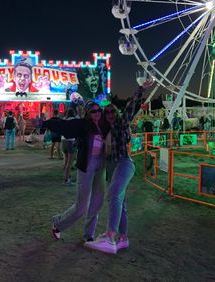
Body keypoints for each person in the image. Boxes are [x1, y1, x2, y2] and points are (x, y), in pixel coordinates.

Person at [84, 80, 153, 254]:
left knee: (114, 194)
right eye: (106, 112)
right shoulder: (105, 131)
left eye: (112, 111)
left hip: (124, 162)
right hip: (112, 167)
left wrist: (140, 89)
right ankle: (123, 238)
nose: (110, 114)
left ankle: (109, 236)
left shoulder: (122, 124)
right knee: (120, 202)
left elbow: (130, 107)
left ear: (117, 112)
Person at [51, 102, 106, 243]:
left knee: (96, 202)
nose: (97, 113)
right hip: (86, 166)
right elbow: (66, 127)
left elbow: (124, 119)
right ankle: (58, 223)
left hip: (101, 166)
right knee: (81, 206)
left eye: (99, 110)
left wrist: (141, 91)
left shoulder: (104, 124)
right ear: (87, 113)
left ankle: (89, 235)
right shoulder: (83, 125)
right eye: (93, 111)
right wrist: (47, 123)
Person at [61, 108, 77, 185]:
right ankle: (66, 179)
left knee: (66, 161)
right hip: (71, 141)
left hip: (63, 141)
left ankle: (68, 176)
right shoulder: (75, 120)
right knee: (70, 163)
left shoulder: (64, 120)